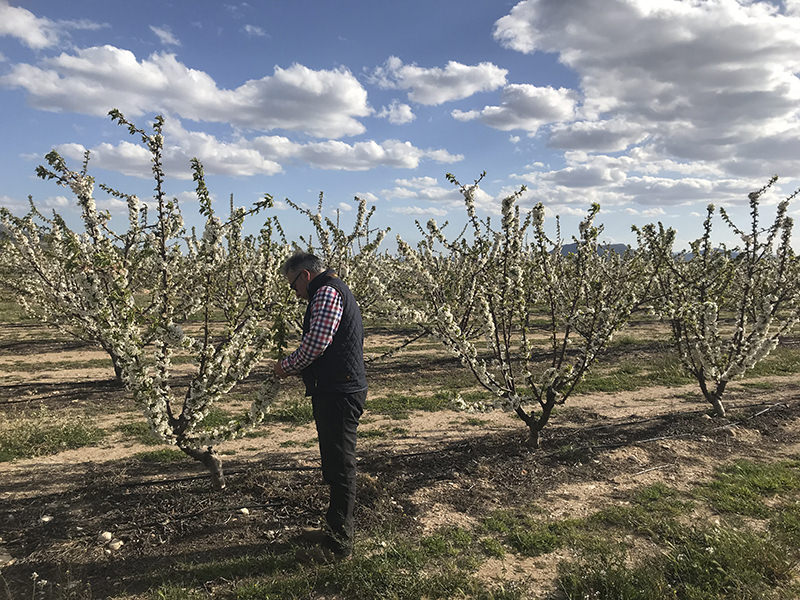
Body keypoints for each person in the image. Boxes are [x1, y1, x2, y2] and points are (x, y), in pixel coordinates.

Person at [273, 252, 367, 558]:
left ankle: (340, 545)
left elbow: (317, 342)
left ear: (305, 276)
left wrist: (287, 365)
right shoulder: (331, 287)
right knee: (334, 462)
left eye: (293, 286)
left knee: (341, 467)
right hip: (335, 387)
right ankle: (333, 528)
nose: (296, 294)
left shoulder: (326, 291)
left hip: (341, 390)